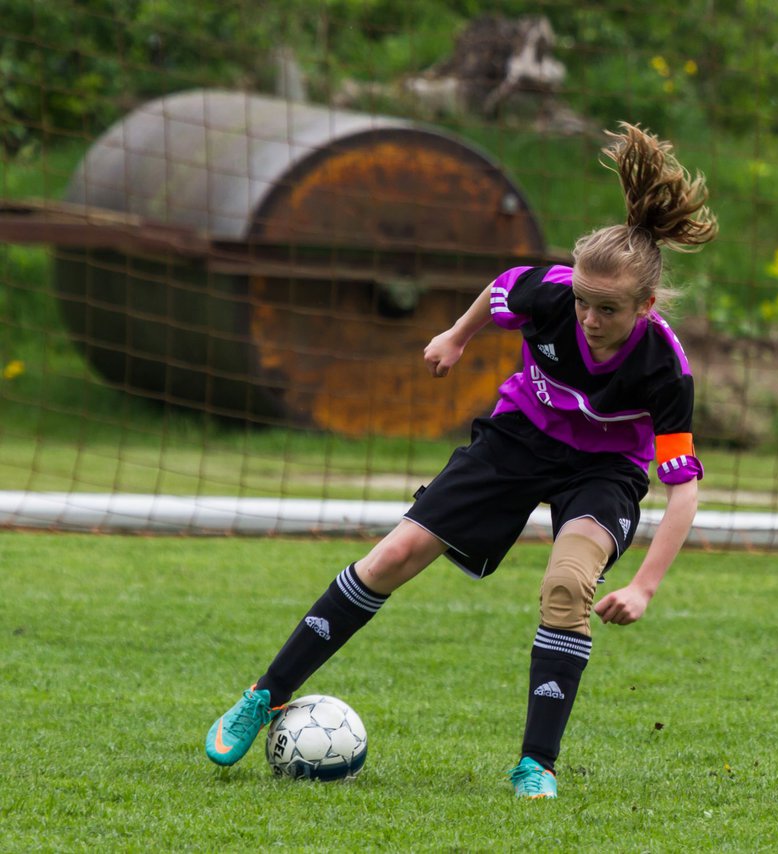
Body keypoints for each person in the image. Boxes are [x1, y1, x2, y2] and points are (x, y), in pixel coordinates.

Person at [203, 122, 718, 799]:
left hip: (604, 471)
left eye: (609, 309)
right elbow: (501, 287)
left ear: (647, 306)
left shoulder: (664, 368)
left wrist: (645, 586)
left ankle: (537, 764)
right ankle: (262, 696)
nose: (589, 318)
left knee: (567, 587)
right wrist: (455, 335)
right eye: (582, 302)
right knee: (391, 556)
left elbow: (683, 492)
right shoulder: (551, 292)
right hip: (517, 439)